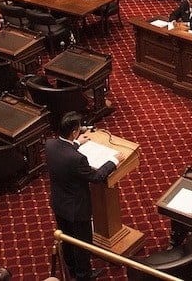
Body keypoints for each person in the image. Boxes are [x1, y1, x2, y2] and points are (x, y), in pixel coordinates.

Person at [45, 112, 122, 281]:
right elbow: (95, 178)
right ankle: (83, 276)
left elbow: (63, 152)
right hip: (77, 209)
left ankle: (71, 269)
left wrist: (76, 144)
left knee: (66, 237)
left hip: (59, 203)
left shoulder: (49, 144)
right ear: (74, 132)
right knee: (82, 243)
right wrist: (114, 162)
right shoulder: (77, 159)